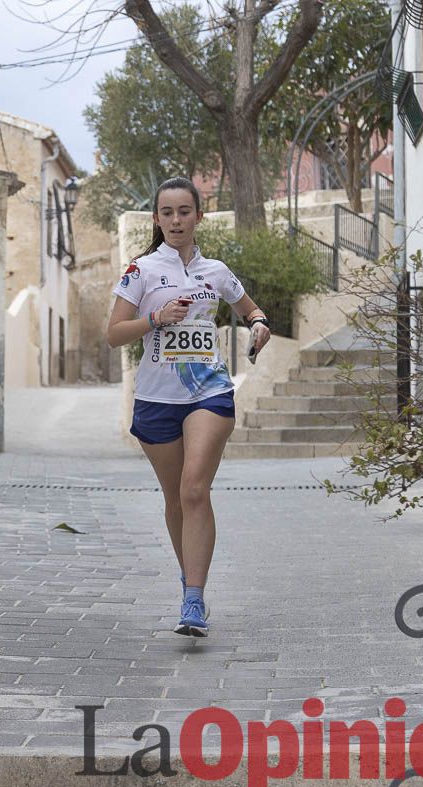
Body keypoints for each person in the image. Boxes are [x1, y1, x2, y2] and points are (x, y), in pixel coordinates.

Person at [106, 177, 270, 637]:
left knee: (195, 489)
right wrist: (155, 318)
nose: (176, 220)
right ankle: (189, 577)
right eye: (167, 213)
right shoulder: (141, 271)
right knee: (175, 498)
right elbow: (113, 333)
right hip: (157, 399)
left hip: (208, 391)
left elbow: (251, 310)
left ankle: (193, 599)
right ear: (157, 219)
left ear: (199, 215)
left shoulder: (216, 271)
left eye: (184, 211)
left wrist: (259, 325)